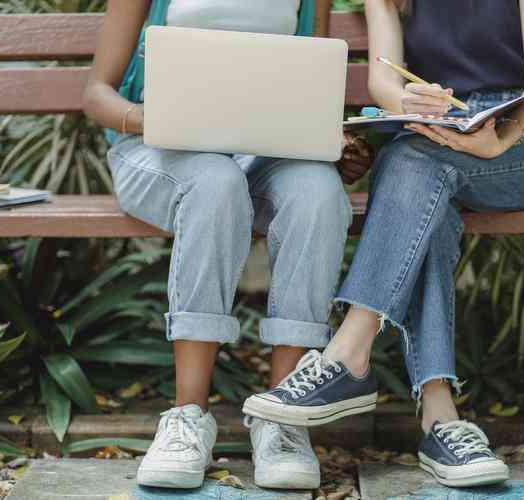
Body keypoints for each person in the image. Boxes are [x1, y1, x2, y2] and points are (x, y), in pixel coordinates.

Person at [244, 0, 524, 489]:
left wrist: (499, 138)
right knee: (420, 183)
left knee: (411, 165)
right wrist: (408, 104)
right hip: (434, 131)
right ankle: (441, 421)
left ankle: (348, 353)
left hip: (519, 140)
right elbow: (383, 82)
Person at [83, 0, 371, 491]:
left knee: (319, 194)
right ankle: (187, 417)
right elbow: (96, 95)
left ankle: (283, 420)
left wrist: (333, 141)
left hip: (265, 153)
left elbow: (308, 88)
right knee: (215, 185)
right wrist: (149, 118)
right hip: (158, 150)